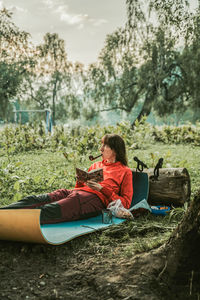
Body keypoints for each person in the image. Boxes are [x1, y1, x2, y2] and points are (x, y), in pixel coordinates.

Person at [1, 134, 133, 224]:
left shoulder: (124, 171)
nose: (101, 148)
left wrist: (102, 188)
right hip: (74, 193)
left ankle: (7, 222)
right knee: (33, 200)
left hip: (93, 200)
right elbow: (80, 188)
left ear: (115, 150)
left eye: (105, 145)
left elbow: (126, 204)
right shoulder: (96, 165)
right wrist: (81, 180)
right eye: (101, 144)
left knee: (48, 210)